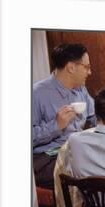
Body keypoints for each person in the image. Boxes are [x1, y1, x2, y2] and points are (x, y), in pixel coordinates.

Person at [32, 43, 96, 188]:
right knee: (92, 171)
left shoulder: (81, 89)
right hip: (48, 159)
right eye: (86, 67)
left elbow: (94, 117)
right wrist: (56, 125)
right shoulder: (37, 93)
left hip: (75, 150)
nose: (90, 72)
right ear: (71, 67)